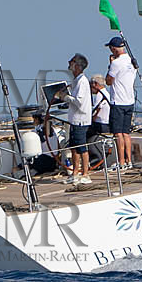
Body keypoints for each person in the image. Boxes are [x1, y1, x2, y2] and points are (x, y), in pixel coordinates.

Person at [56, 53, 92, 185]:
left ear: (77, 65)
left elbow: (78, 102)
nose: (69, 65)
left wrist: (64, 97)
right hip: (74, 119)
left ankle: (86, 174)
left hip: (81, 120)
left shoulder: (82, 81)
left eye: (71, 62)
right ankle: (75, 173)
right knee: (74, 147)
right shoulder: (76, 81)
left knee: (82, 147)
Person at [105, 36, 138, 169]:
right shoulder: (132, 61)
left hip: (118, 101)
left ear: (114, 49)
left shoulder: (116, 63)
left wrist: (110, 64)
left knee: (118, 133)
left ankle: (122, 161)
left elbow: (108, 81)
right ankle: (129, 161)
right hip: (129, 100)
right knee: (126, 133)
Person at [88, 73, 113, 170]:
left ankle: (95, 161)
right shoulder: (106, 93)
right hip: (107, 123)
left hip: (101, 125)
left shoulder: (99, 94)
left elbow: (97, 111)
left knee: (81, 136)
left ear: (95, 84)